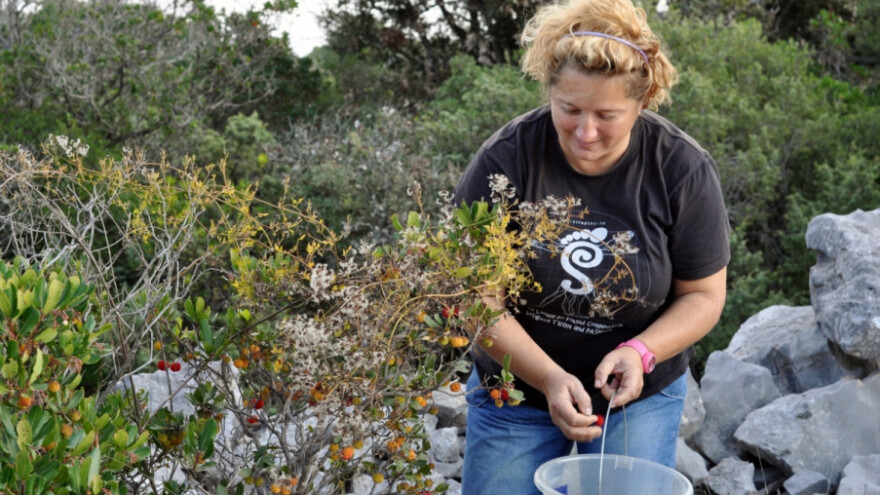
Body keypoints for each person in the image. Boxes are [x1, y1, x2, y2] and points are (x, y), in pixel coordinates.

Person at [451, 0, 730, 492]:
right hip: (516, 392)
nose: (585, 132)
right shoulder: (506, 158)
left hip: (636, 398)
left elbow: (703, 296)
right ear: (549, 93)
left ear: (642, 103)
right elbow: (473, 296)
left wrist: (642, 352)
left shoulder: (681, 169)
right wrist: (550, 380)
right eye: (569, 110)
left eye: (607, 114)